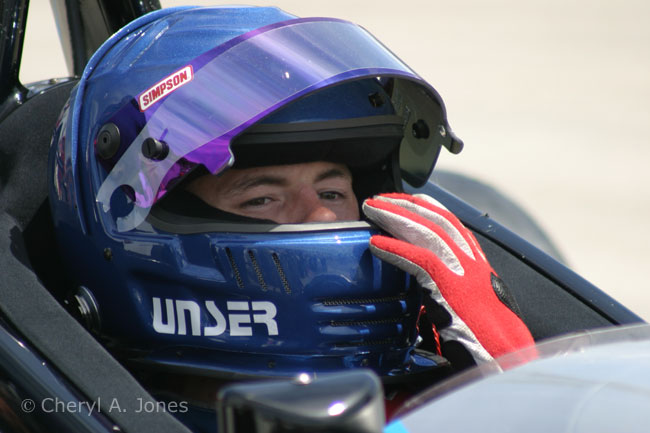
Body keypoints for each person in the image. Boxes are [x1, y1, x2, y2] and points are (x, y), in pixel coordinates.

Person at [47, 5, 535, 430]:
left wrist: (513, 397)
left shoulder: (442, 402)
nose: (322, 215)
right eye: (262, 198)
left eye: (333, 189)